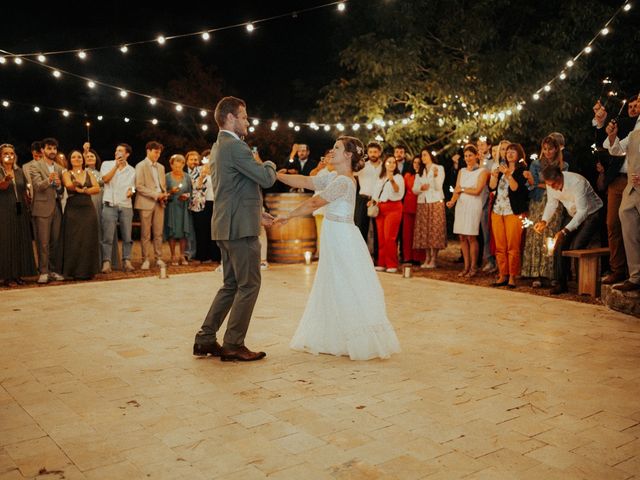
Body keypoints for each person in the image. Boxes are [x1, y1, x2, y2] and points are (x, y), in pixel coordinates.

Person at [274, 136, 400, 360]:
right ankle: (336, 335)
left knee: (344, 283)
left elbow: (314, 202)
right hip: (335, 235)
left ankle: (355, 338)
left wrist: (289, 215)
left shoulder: (344, 182)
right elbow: (305, 182)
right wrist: (274, 174)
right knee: (332, 282)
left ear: (348, 155)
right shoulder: (334, 177)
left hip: (342, 238)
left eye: (337, 148)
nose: (332, 151)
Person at [193, 96, 277, 362]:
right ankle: (233, 343)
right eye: (244, 116)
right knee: (249, 284)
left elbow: (234, 187)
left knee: (230, 285)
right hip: (239, 230)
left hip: (226, 225)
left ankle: (206, 338)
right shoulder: (237, 147)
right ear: (230, 117)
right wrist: (269, 163)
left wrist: (257, 211)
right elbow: (265, 177)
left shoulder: (219, 145)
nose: (247, 121)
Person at [534, 165, 603, 294]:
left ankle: (582, 283)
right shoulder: (551, 184)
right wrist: (544, 220)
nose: (552, 187)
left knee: (577, 245)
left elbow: (583, 211)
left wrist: (565, 230)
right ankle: (561, 283)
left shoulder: (577, 182)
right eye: (549, 185)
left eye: (554, 184)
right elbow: (552, 203)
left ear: (560, 176)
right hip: (572, 213)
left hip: (591, 213)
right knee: (559, 245)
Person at [521, 135, 568, 287]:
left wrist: (540, 183)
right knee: (536, 234)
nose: (548, 152)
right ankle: (536, 274)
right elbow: (531, 185)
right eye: (545, 149)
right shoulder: (536, 164)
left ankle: (551, 274)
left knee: (551, 234)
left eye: (551, 149)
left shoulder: (563, 165)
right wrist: (537, 183)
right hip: (537, 201)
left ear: (556, 149)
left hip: (555, 202)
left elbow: (561, 183)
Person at [488, 143, 529, 288]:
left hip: (514, 211)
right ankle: (502, 274)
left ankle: (512, 276)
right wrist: (494, 176)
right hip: (497, 211)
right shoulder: (500, 168)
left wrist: (507, 174)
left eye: (513, 151)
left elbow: (515, 188)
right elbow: (492, 187)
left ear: (519, 155)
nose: (510, 154)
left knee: (513, 246)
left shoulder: (522, 170)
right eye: (508, 151)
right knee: (500, 246)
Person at [446, 144, 490, 278]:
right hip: (461, 205)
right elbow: (457, 188)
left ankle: (473, 267)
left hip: (473, 205)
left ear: (476, 156)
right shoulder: (462, 171)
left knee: (471, 236)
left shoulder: (483, 171)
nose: (467, 158)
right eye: (465, 156)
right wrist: (452, 201)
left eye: (470, 155)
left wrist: (463, 190)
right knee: (462, 236)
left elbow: (477, 191)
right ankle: (465, 266)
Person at [28, 137, 65, 284]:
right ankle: (43, 271)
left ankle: (53, 271)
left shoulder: (59, 168)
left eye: (54, 148)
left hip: (56, 206)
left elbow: (62, 190)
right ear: (43, 150)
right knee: (43, 242)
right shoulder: (35, 166)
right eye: (49, 148)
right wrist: (49, 180)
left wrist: (59, 185)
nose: (52, 151)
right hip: (42, 207)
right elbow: (37, 186)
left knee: (55, 241)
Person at [60, 150, 100, 280]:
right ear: (69, 160)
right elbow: (69, 185)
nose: (76, 159)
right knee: (74, 240)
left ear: (82, 160)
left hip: (88, 209)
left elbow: (97, 188)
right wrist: (77, 187)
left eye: (79, 157)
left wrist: (83, 190)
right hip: (73, 209)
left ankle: (87, 271)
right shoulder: (66, 173)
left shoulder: (89, 173)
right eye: (73, 157)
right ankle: (73, 271)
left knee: (88, 239)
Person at [0, 144, 36, 285]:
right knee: (6, 240)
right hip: (3, 208)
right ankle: (7, 276)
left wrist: (28, 197)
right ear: (0, 156)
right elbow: (2, 186)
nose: (9, 155)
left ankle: (18, 274)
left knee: (19, 239)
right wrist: (6, 180)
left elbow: (24, 188)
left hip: (20, 209)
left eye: (11, 153)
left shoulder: (19, 171)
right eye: (5, 153)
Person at [100, 143, 136, 273]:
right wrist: (116, 166)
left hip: (126, 205)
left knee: (127, 236)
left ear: (127, 154)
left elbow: (133, 186)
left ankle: (127, 261)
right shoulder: (107, 164)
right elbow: (105, 179)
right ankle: (106, 262)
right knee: (108, 237)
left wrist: (131, 191)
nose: (117, 153)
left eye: (120, 151)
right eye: (116, 151)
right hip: (110, 204)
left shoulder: (132, 170)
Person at [135, 141, 169, 270]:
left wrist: (164, 194)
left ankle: (159, 258)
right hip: (145, 202)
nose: (158, 155)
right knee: (145, 233)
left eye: (159, 152)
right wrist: (155, 194)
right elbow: (139, 186)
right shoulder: (140, 165)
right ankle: (145, 259)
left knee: (158, 232)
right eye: (155, 152)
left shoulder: (161, 167)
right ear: (148, 151)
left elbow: (162, 185)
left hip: (159, 203)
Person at [370, 155, 405, 273]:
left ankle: (392, 264)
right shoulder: (380, 178)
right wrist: (372, 201)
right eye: (389, 162)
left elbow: (398, 191)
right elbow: (376, 193)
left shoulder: (398, 177)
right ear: (384, 164)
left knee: (389, 237)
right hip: (380, 208)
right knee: (380, 237)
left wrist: (392, 180)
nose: (391, 164)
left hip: (394, 208)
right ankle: (381, 262)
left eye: (393, 162)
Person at [615, 129, 640, 292]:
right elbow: (615, 149)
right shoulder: (634, 134)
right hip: (632, 189)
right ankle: (636, 276)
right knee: (628, 224)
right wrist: (611, 135)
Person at [413, 148, 447, 269]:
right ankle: (427, 257)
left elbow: (438, 187)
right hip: (423, 202)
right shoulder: (420, 171)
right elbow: (414, 189)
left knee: (435, 230)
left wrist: (436, 177)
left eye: (425, 155)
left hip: (435, 201)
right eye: (422, 155)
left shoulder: (438, 168)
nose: (423, 157)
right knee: (425, 231)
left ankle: (434, 258)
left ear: (430, 156)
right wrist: (421, 187)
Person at [354, 141, 382, 259]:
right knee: (360, 229)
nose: (373, 154)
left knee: (378, 231)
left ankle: (377, 257)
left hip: (378, 200)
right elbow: (352, 172)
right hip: (363, 199)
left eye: (375, 152)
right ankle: (361, 257)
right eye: (370, 152)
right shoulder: (363, 165)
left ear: (379, 153)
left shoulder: (384, 167)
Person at [164, 154, 193, 265]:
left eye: (180, 166)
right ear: (171, 165)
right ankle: (173, 256)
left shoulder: (187, 177)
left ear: (183, 165)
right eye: (175, 166)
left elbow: (190, 192)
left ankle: (182, 255)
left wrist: (186, 196)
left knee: (183, 232)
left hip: (183, 207)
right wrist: (171, 192)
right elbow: (164, 193)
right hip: (172, 206)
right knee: (172, 232)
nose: (177, 168)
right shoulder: (167, 177)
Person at [401, 156, 425, 265]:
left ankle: (417, 257)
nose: (416, 164)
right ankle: (407, 257)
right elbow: (411, 187)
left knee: (418, 233)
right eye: (414, 162)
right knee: (407, 234)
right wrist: (416, 174)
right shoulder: (407, 175)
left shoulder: (423, 175)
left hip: (420, 205)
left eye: (419, 163)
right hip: (408, 206)